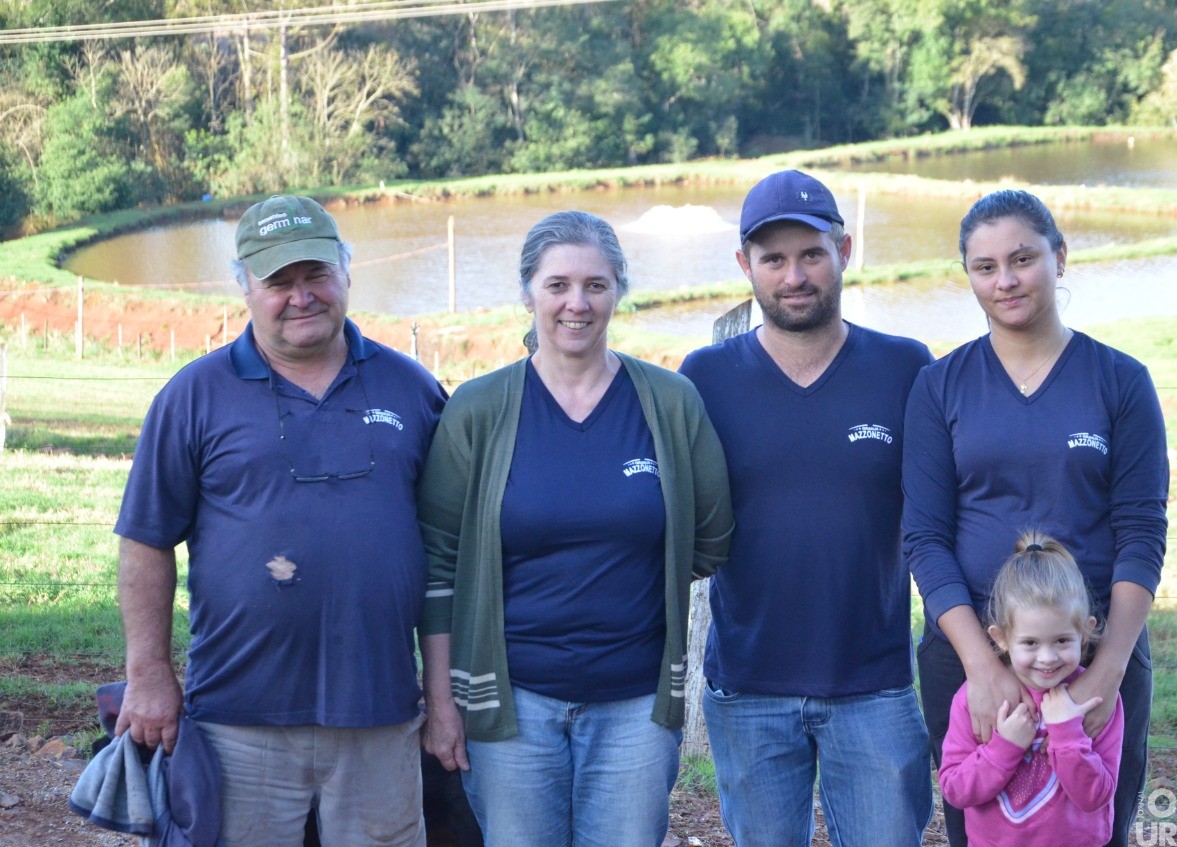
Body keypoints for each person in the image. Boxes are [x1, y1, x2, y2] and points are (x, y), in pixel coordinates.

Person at [114, 194, 448, 847]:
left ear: (347, 273)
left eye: (317, 275)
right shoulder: (193, 395)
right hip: (240, 717)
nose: (302, 296)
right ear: (245, 287)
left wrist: (445, 694)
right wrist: (149, 672)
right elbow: (145, 541)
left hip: (380, 714)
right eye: (279, 282)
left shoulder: (413, 388)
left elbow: (447, 552)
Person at [417, 210, 734, 847]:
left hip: (636, 707)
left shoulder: (670, 403)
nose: (577, 304)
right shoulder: (479, 409)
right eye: (558, 284)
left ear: (619, 289)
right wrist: (442, 700)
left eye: (596, 284)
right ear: (528, 291)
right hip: (512, 708)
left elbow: (709, 537)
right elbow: (439, 564)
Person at [904, 189, 1169, 847]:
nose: (1006, 280)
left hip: (1092, 649)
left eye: (1022, 258)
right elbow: (926, 538)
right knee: (987, 829)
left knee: (1096, 825)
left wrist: (1107, 667)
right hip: (971, 653)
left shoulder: (1120, 380)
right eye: (985, 266)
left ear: (1059, 256)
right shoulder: (940, 386)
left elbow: (1141, 531)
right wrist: (982, 666)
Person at [678, 170, 934, 846]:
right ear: (746, 266)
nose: (794, 275)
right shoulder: (704, 378)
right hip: (748, 688)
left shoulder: (906, 368)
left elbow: (944, 516)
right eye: (774, 258)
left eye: (811, 253)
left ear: (844, 251)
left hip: (874, 685)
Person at [939, 531, 1124, 847]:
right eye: (1030, 643)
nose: (1048, 658)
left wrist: (1067, 733)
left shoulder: (1097, 698)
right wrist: (1004, 747)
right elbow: (955, 790)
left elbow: (1096, 797)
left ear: (1086, 631)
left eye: (1063, 640)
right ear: (1000, 638)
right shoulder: (977, 698)